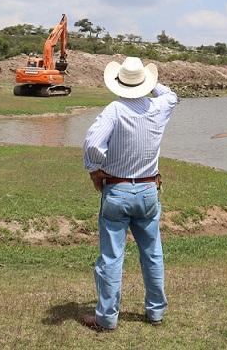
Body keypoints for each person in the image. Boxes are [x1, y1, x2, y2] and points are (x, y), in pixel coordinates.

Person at [80, 56, 179, 331]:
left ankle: (107, 318)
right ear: (144, 83)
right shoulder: (159, 106)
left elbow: (92, 144)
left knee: (112, 257)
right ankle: (156, 312)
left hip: (118, 189)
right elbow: (171, 95)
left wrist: (94, 171)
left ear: (118, 83)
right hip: (148, 189)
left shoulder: (114, 110)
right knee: (152, 252)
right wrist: (151, 83)